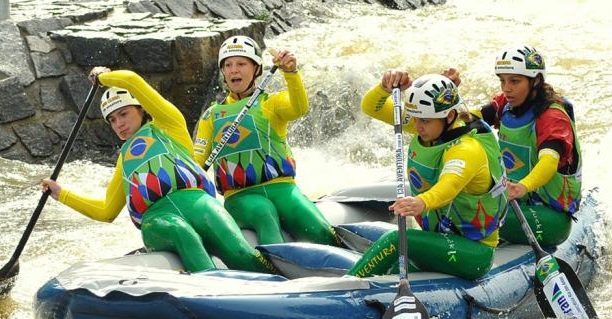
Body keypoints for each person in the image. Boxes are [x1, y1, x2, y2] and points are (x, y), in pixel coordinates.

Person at [41, 67, 276, 274]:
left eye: (124, 113)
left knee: (239, 252)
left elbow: (132, 80)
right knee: (182, 233)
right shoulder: (124, 160)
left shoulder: (169, 123)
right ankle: (214, 288)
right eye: (112, 120)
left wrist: (105, 78)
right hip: (157, 221)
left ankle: (279, 282)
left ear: (141, 110)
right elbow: (106, 212)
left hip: (199, 203)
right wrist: (60, 194)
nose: (119, 124)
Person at [347, 72, 508, 280]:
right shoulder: (428, 126)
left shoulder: (467, 149)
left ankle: (345, 289)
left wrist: (421, 202)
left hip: (474, 250)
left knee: (397, 239)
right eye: (415, 118)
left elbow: (448, 186)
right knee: (392, 269)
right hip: (438, 237)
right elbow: (371, 107)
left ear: (450, 117)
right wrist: (385, 88)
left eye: (424, 120)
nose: (417, 125)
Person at [193, 35, 339, 246]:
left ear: (257, 69)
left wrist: (291, 73)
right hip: (239, 197)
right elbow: (197, 161)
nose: (234, 70)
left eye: (241, 64)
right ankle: (277, 272)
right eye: (228, 65)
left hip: (283, 188)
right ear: (223, 72)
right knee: (263, 211)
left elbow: (299, 108)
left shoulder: (271, 103)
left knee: (319, 229)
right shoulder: (211, 116)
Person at [475, 45, 582, 246]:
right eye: (502, 81)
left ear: (536, 81)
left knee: (469, 216)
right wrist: (451, 100)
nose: (506, 88)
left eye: (515, 81)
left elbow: (549, 162)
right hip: (517, 203)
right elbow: (467, 120)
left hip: (550, 216)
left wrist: (523, 187)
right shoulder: (505, 105)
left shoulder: (552, 117)